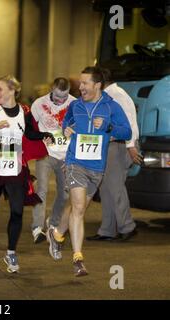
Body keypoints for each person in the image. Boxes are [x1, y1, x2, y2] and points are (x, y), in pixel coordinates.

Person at [46, 66, 132, 277]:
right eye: (81, 83)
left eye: (85, 83)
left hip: (97, 167)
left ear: (97, 85)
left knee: (79, 208)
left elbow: (127, 131)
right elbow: (66, 123)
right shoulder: (75, 106)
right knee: (77, 207)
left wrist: (109, 127)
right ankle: (78, 259)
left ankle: (56, 234)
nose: (80, 86)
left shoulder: (112, 107)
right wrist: (65, 129)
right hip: (75, 162)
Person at [0, 75, 53, 273]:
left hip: (16, 166)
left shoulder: (24, 110)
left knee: (17, 211)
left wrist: (45, 135)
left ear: (12, 90)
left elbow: (30, 134)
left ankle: (10, 253)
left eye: (0, 89)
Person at [87, 68, 142, 242]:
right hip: (110, 145)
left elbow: (130, 122)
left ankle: (127, 227)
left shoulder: (117, 95)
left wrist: (131, 146)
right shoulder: (108, 96)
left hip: (120, 146)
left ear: (100, 82)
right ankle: (107, 230)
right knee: (106, 189)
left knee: (116, 187)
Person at [30, 78, 76, 243]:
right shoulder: (38, 104)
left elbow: (83, 126)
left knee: (64, 194)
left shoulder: (75, 104)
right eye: (57, 97)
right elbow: (30, 128)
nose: (60, 101)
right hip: (46, 153)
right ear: (51, 89)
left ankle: (54, 222)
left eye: (64, 97)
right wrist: (41, 137)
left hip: (66, 155)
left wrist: (74, 131)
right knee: (41, 190)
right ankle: (37, 227)